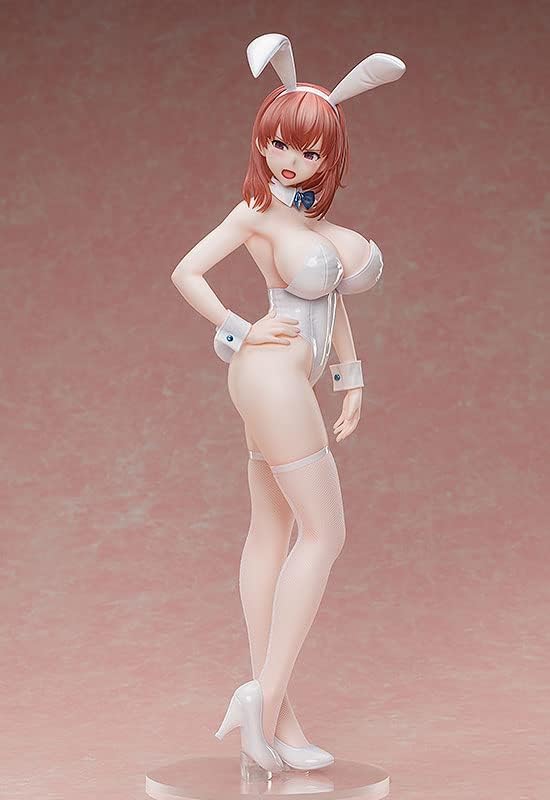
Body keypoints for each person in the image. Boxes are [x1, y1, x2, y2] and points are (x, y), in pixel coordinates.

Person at [171, 33, 406, 776]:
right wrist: (239, 327)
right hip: (269, 375)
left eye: (307, 151)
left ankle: (276, 720)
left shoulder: (306, 220)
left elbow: (331, 301)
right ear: (262, 140)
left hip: (288, 380)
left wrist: (351, 374)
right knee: (324, 532)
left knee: (272, 531)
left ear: (328, 157)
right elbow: (186, 272)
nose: (289, 161)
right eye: (278, 144)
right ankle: (263, 699)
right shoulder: (255, 213)